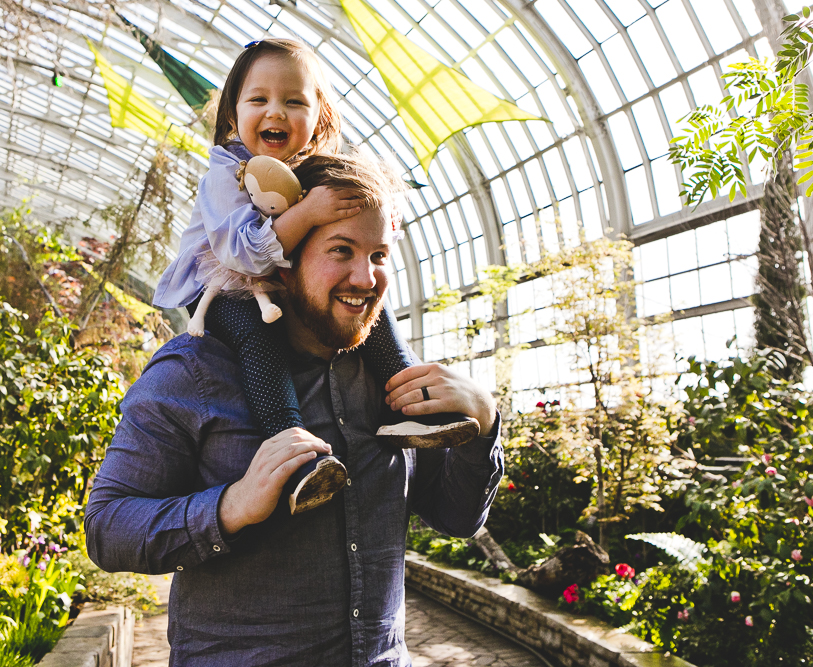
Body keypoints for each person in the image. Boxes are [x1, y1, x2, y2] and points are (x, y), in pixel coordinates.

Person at [86, 152, 505, 666]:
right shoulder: (194, 371)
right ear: (281, 265)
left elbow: (458, 517)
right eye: (342, 250)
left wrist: (483, 425)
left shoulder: (393, 378)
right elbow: (108, 528)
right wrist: (231, 507)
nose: (366, 277)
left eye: (378, 255)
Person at [151, 38, 479, 515]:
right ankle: (296, 454)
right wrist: (308, 213)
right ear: (232, 115)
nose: (276, 112)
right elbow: (239, 252)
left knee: (370, 309)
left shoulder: (314, 173)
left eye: (295, 101)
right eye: (258, 99)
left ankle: (408, 406)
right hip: (225, 287)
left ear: (320, 117)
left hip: (274, 280)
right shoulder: (225, 172)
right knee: (259, 340)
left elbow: (361, 224)